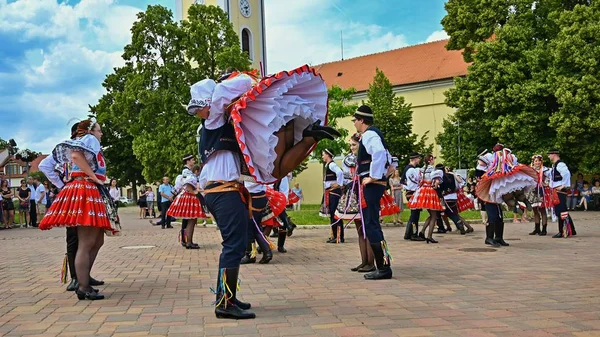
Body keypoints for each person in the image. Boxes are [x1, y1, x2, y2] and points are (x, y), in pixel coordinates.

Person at [188, 66, 337, 319]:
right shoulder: (212, 119)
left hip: (226, 191)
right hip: (222, 191)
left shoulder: (219, 123)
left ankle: (229, 297)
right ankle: (224, 303)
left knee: (236, 242)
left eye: (198, 107)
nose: (199, 112)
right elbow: (230, 88)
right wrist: (249, 81)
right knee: (233, 245)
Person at [39, 119, 120, 300]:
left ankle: (83, 280)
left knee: (96, 241)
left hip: (87, 189)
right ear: (91, 131)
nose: (101, 133)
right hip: (86, 189)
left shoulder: (88, 141)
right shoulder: (90, 139)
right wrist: (94, 177)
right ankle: (83, 286)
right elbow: (75, 156)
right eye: (99, 130)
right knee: (86, 242)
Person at [353, 105, 395, 280]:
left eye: (355, 120)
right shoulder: (372, 134)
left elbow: (379, 153)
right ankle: (383, 265)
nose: (354, 123)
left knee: (371, 224)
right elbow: (390, 159)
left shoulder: (370, 134)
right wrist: (386, 172)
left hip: (372, 185)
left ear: (362, 120)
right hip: (375, 184)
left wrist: (373, 176)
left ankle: (384, 268)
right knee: (372, 224)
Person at [476, 144, 537, 247]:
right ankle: (489, 238)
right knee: (493, 216)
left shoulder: (496, 161)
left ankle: (499, 237)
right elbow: (479, 176)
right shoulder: (484, 165)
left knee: (499, 216)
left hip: (497, 192)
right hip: (488, 194)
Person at [335, 133, 375, 272]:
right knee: (360, 230)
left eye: (354, 144)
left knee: (368, 228)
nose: (351, 147)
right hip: (353, 193)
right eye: (350, 145)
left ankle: (372, 262)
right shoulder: (350, 159)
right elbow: (346, 177)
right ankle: (364, 262)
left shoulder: (367, 158)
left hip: (364, 191)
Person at [168, 155, 206, 249]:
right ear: (188, 161)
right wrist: (194, 192)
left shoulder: (189, 172)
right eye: (192, 160)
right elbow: (187, 184)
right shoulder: (187, 172)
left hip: (188, 196)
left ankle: (187, 241)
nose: (193, 161)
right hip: (189, 197)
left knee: (189, 220)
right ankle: (187, 241)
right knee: (190, 220)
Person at [408, 155, 444, 243]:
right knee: (434, 215)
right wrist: (436, 185)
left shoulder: (420, 170)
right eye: (433, 159)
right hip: (430, 192)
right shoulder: (434, 171)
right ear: (430, 160)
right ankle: (429, 236)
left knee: (432, 215)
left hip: (422, 191)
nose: (434, 161)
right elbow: (436, 184)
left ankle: (423, 231)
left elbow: (418, 181)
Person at [546, 149, 577, 237]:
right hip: (556, 190)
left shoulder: (560, 164)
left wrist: (564, 186)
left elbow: (567, 174)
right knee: (562, 210)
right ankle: (571, 230)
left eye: (549, 154)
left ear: (554, 154)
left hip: (560, 191)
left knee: (560, 211)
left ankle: (563, 231)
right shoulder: (554, 166)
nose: (548, 156)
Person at [526, 155, 557, 235]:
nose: (537, 162)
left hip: (542, 191)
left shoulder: (545, 170)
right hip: (533, 191)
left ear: (541, 162)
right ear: (533, 162)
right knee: (535, 210)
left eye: (539, 161)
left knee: (542, 210)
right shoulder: (530, 169)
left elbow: (551, 178)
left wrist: (546, 183)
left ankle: (544, 229)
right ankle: (537, 229)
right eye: (536, 161)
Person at [322, 148, 344, 243]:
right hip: (330, 192)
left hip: (334, 192)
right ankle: (335, 235)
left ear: (328, 155)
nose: (322, 156)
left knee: (335, 214)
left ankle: (338, 237)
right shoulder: (328, 165)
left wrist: (339, 184)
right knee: (332, 214)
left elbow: (340, 172)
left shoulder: (332, 165)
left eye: (323, 154)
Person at [402, 153, 425, 241]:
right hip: (412, 193)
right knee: (415, 215)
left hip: (410, 192)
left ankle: (408, 233)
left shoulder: (407, 169)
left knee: (413, 214)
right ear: (414, 159)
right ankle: (414, 234)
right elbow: (416, 181)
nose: (419, 160)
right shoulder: (411, 170)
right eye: (418, 158)